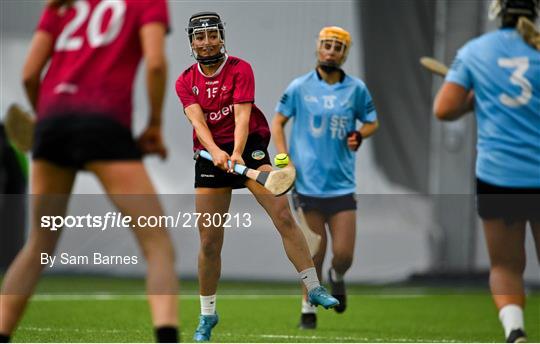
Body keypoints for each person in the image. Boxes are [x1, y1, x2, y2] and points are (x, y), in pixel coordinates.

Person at [0, 0, 179, 342]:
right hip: (104, 123)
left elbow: (28, 74)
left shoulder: (62, 3)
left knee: (38, 244)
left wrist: (49, 119)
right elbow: (156, 64)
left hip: (52, 125)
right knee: (157, 245)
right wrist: (154, 124)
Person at [175, 11, 339, 342]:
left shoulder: (240, 69)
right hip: (209, 157)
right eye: (199, 37)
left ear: (221, 36)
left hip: (247, 147)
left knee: (283, 215)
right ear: (191, 42)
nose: (206, 43)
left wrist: (235, 154)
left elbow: (242, 117)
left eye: (211, 35)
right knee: (209, 242)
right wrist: (217, 153)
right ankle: (208, 315)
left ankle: (314, 287)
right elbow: (198, 124)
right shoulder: (184, 81)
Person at [433, 0, 539, 342]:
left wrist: (472, 100)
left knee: (506, 266)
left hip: (499, 176)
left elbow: (444, 109)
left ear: (497, 11)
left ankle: (515, 331)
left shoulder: (475, 51)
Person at [272, 26, 379, 329]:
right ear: (318, 48)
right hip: (307, 184)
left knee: (343, 254)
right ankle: (308, 308)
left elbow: (372, 122)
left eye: (338, 46)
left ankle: (339, 277)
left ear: (345, 52)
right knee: (313, 252)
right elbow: (278, 121)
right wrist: (285, 159)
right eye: (327, 45)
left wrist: (360, 133)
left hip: (342, 184)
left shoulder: (356, 89)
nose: (331, 51)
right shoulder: (299, 87)